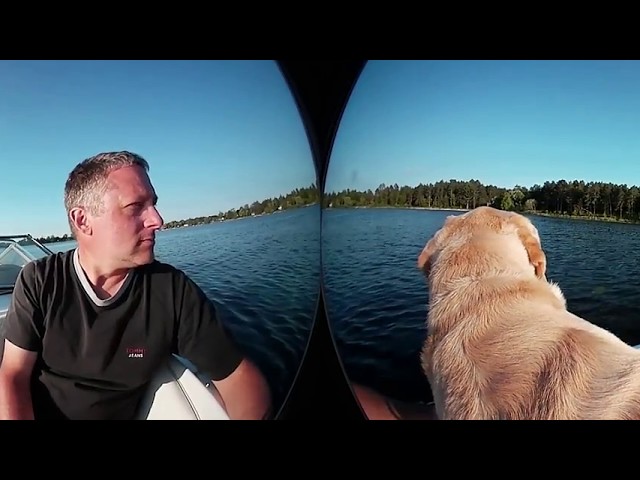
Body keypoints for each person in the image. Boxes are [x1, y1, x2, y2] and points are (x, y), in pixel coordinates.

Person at [0, 151, 273, 420]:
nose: (157, 220)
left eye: (153, 204)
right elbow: (13, 375)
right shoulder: (40, 280)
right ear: (83, 220)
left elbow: (238, 378)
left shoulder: (171, 290)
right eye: (135, 207)